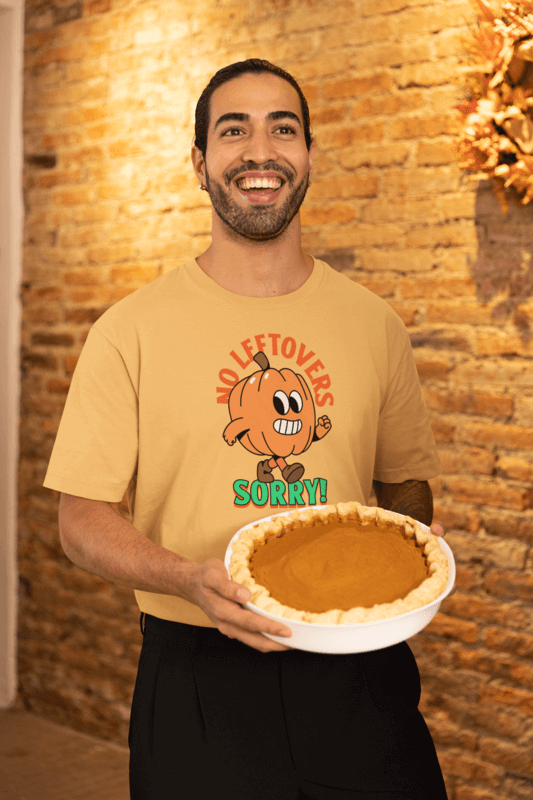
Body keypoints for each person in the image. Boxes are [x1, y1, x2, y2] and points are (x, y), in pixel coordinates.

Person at [44, 58, 449, 800]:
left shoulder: (374, 325)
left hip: (361, 675)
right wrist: (187, 579)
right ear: (199, 162)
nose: (260, 151)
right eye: (234, 131)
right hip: (199, 678)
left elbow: (407, 491)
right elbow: (79, 523)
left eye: (282, 129)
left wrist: (392, 560)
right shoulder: (128, 331)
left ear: (308, 158)